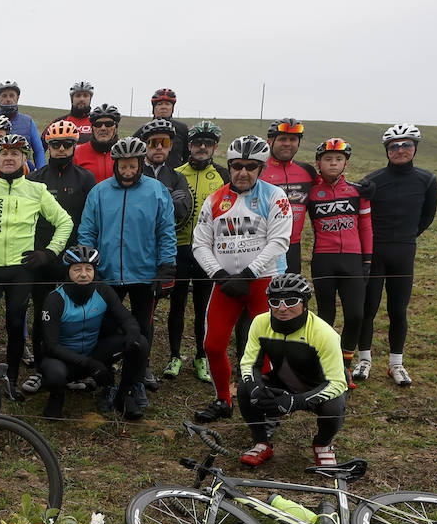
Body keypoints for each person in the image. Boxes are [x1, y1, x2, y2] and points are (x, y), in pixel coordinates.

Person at [0, 134, 73, 388]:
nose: (9, 158)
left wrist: (49, 253)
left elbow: (65, 222)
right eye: (5, 154)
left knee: (15, 324)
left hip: (22, 270)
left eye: (15, 154)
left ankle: (10, 379)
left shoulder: (36, 190)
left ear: (24, 159)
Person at [190, 135, 292, 422]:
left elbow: (279, 241)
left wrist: (249, 273)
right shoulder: (215, 200)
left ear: (261, 168)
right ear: (230, 166)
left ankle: (268, 400)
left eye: (250, 166)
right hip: (225, 283)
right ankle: (223, 399)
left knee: (267, 346)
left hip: (264, 281)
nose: (243, 172)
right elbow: (200, 243)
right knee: (212, 345)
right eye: (236, 166)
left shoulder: (275, 196)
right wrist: (219, 274)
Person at [76, 136, 177, 404]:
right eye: (123, 167)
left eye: (133, 166)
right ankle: (107, 380)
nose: (128, 172)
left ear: (141, 164)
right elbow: (87, 230)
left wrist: (167, 266)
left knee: (142, 329)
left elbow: (166, 230)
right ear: (115, 165)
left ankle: (137, 378)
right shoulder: (99, 192)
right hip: (108, 273)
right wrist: (88, 263)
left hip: (145, 274)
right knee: (108, 330)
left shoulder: (157, 191)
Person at [236, 273, 348, 467]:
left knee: (334, 407)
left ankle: (322, 445)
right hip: (282, 380)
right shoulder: (260, 322)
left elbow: (338, 383)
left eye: (290, 301)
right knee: (245, 389)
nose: (282, 308)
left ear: (304, 303)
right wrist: (256, 389)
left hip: (318, 385)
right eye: (275, 302)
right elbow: (249, 364)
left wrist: (295, 402)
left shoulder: (324, 333)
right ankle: (261, 441)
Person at [356, 124, 437, 387]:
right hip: (374, 251)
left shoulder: (427, 180)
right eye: (394, 146)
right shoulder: (373, 180)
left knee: (398, 310)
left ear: (415, 148)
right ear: (387, 150)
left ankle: (396, 364)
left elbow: (428, 217)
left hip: (404, 250)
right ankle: (364, 360)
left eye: (406, 145)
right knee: (368, 308)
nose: (400, 150)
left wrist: (407, 236)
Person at [19, 120, 95, 394]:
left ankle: (75, 368)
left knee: (74, 315)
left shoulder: (85, 178)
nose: (61, 149)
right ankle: (41, 368)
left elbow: (89, 218)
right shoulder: (35, 178)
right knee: (43, 313)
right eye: (55, 144)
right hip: (42, 257)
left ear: (75, 146)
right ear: (48, 147)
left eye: (67, 144)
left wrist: (85, 253)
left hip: (73, 258)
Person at [37, 245, 150, 421]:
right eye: (77, 269)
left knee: (140, 343)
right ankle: (56, 397)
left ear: (95, 271)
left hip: (93, 351)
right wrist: (89, 364)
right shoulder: (55, 299)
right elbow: (51, 346)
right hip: (63, 360)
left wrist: (132, 335)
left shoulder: (102, 290)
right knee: (54, 375)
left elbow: (127, 319)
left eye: (88, 269)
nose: (83, 274)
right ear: (68, 272)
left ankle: (123, 395)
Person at [305, 138, 373, 388]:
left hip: (353, 259)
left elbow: (366, 226)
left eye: (338, 159)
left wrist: (367, 259)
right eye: (327, 159)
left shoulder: (358, 191)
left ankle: (344, 364)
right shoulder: (312, 192)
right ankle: (325, 363)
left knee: (356, 314)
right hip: (323, 258)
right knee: (326, 316)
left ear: (346, 163)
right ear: (318, 163)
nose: (333, 163)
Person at [170, 121, 230, 382]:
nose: (202, 147)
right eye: (197, 143)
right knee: (177, 304)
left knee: (204, 307)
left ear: (215, 147)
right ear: (189, 146)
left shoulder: (223, 176)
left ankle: (201, 356)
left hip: (209, 252)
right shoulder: (175, 173)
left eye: (207, 143)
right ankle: (174, 355)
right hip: (180, 248)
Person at [260, 119, 315, 274]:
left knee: (290, 295)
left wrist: (363, 187)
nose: (288, 143)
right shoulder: (257, 169)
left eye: (293, 139)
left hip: (293, 246)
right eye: (282, 139)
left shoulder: (307, 171)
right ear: (270, 142)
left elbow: (330, 187)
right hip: (262, 245)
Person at [136, 119, 193, 225]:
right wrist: (169, 199)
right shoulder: (134, 174)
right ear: (145, 146)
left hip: (166, 239)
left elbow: (181, 211)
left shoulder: (178, 177)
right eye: (154, 143)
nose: (159, 147)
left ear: (170, 146)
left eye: (164, 143)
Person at [0, 80, 45, 167]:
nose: (8, 99)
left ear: (17, 98)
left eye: (12, 95)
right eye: (4, 96)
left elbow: (39, 151)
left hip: (23, 172)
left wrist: (41, 171)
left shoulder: (28, 122)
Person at [74, 104, 121, 182]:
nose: (103, 128)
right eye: (98, 124)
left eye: (108, 124)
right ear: (92, 128)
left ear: (115, 127)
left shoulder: (125, 151)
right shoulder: (77, 153)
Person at [149, 89, 189, 167]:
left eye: (167, 104)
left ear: (172, 108)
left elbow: (188, 156)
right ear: (154, 108)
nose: (163, 107)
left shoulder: (183, 129)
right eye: (159, 104)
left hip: (175, 175)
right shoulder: (143, 130)